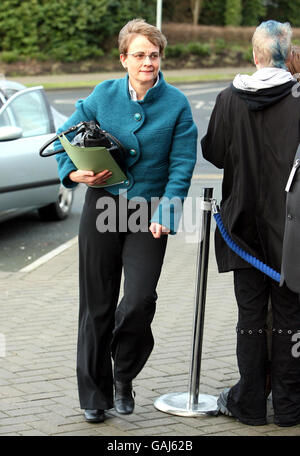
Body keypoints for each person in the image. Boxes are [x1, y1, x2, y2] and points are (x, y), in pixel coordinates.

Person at [54, 18, 197, 423]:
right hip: (102, 207)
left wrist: (168, 211)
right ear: (123, 59)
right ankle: (94, 396)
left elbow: (183, 163)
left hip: (147, 213)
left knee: (138, 301)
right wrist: (74, 172)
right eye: (139, 55)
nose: (147, 62)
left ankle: (124, 374)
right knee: (95, 306)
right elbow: (66, 135)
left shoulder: (177, 104)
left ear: (160, 57)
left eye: (153, 55)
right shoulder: (102, 95)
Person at [201, 20, 300, 427]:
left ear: (254, 55)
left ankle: (252, 402)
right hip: (291, 229)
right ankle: (290, 406)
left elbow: (214, 153)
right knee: (291, 316)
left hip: (241, 223)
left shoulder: (228, 98)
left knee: (251, 315)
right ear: (288, 54)